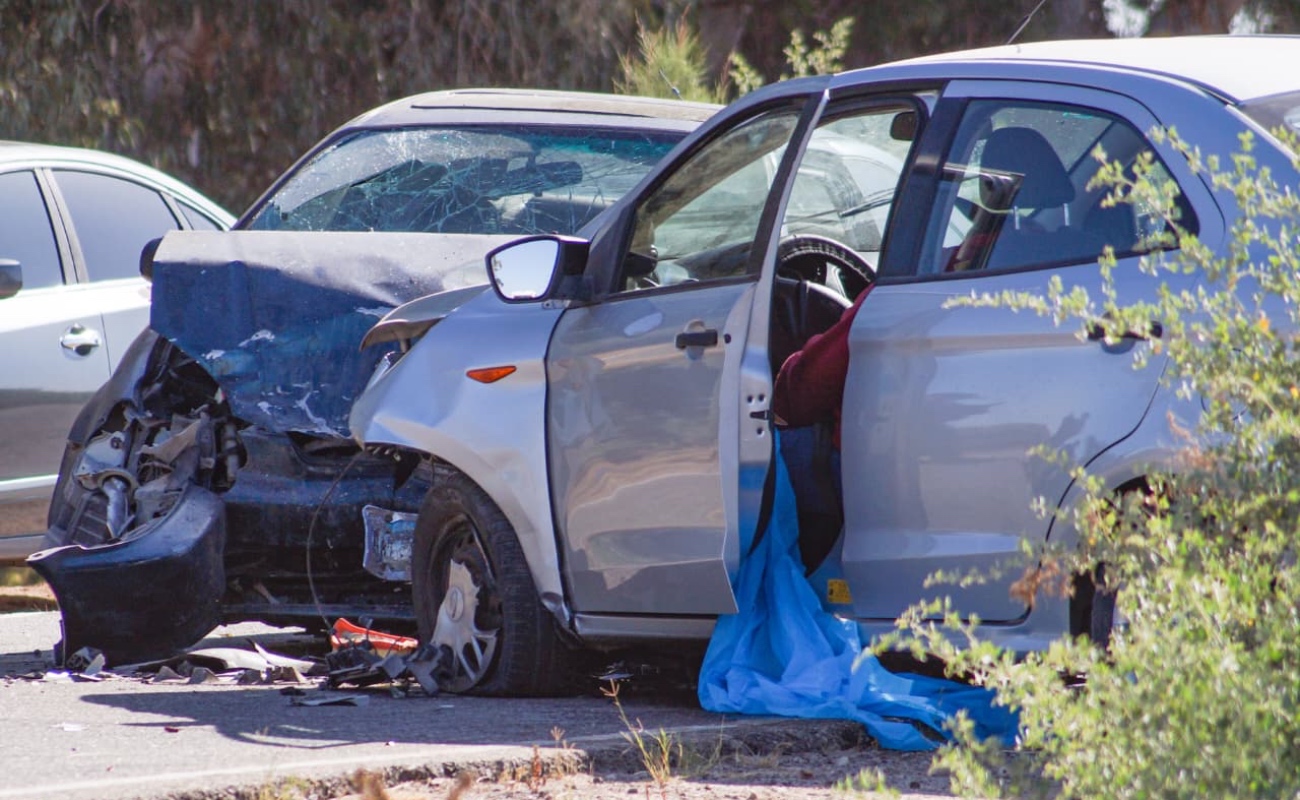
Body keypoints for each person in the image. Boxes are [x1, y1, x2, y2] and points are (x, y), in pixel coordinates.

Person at [771, 285, 873, 568]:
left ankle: (786, 571)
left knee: (767, 453)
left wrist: (790, 368)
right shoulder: (971, 277)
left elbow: (812, 384)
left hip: (865, 457)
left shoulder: (903, 287)